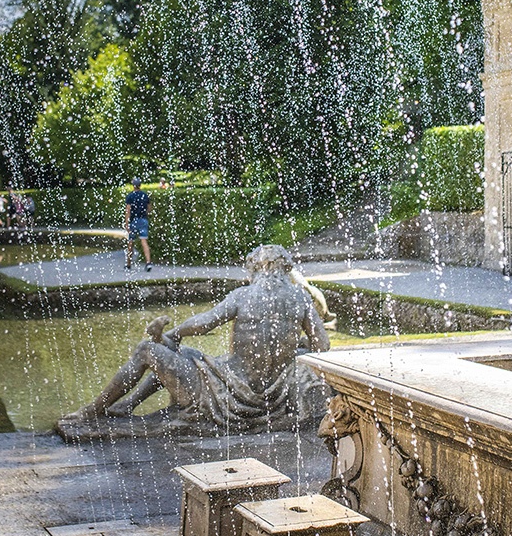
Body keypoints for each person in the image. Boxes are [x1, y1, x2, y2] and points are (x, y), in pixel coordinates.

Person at [66, 245, 329, 429]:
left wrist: (173, 333)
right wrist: (296, 349)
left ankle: (94, 411)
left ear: (256, 269)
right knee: (184, 355)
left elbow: (204, 323)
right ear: (284, 269)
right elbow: (322, 346)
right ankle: (127, 405)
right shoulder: (301, 299)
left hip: (227, 397)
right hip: (270, 396)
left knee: (148, 350)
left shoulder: (243, 296)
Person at [124, 178, 152, 271]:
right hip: (143, 220)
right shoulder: (144, 195)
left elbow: (128, 210)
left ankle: (128, 264)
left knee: (131, 242)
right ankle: (148, 263)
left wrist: (127, 223)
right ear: (140, 185)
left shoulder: (130, 196)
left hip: (134, 221)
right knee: (144, 241)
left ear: (133, 185)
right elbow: (149, 208)